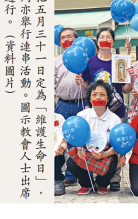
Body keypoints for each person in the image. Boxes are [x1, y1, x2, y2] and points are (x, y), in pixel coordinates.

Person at [75, 27, 132, 191]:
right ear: (98, 41)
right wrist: (79, 81)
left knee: (115, 141)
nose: (105, 39)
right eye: (102, 37)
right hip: (95, 107)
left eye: (109, 37)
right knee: (93, 141)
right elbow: (86, 87)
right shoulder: (90, 62)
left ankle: (114, 177)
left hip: (116, 108)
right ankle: (90, 174)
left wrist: (131, 76)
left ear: (113, 42)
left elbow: (126, 89)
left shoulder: (119, 60)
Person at [66, 80, 122, 195]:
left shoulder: (115, 119)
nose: (98, 97)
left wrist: (104, 154)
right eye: (94, 94)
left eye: (102, 94)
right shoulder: (82, 115)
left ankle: (102, 184)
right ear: (90, 99)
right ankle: (86, 184)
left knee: (112, 163)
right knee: (72, 163)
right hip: (85, 150)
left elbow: (117, 145)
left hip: (105, 152)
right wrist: (78, 148)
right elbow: (76, 137)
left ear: (107, 99)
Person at [54, 27, 82, 187]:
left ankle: (74, 174)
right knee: (60, 138)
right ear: (60, 42)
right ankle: (60, 174)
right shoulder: (56, 61)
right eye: (63, 38)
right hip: (62, 104)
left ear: (76, 39)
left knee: (78, 138)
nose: (66, 40)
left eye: (69, 37)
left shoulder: (86, 59)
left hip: (81, 104)